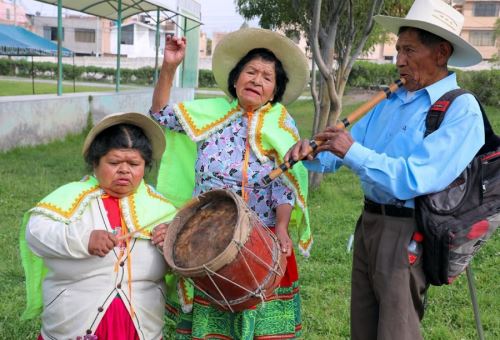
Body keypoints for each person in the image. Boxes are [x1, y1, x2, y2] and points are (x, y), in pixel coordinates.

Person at [285, 0, 484, 339]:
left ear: (441, 53)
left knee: (396, 330)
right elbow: (345, 149)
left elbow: (417, 177)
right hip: (370, 224)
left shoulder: (461, 109)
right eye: (398, 50)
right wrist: (312, 152)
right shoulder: (390, 100)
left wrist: (353, 150)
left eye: (409, 50)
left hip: (410, 231)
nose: (400, 60)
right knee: (363, 326)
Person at [150, 28, 311, 339]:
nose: (256, 80)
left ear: (274, 92)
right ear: (235, 79)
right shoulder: (208, 114)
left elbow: (285, 183)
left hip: (259, 241)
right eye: (250, 72)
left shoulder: (281, 124)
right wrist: (169, 66)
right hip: (206, 236)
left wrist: (281, 229)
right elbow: (159, 117)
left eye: (267, 77)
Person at [19, 112, 177, 339]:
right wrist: (84, 239)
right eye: (114, 162)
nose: (124, 170)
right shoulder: (69, 197)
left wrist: (174, 242)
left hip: (143, 324)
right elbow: (36, 234)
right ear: (95, 163)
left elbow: (185, 262)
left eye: (134, 163)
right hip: (72, 320)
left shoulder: (162, 209)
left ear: (146, 166)